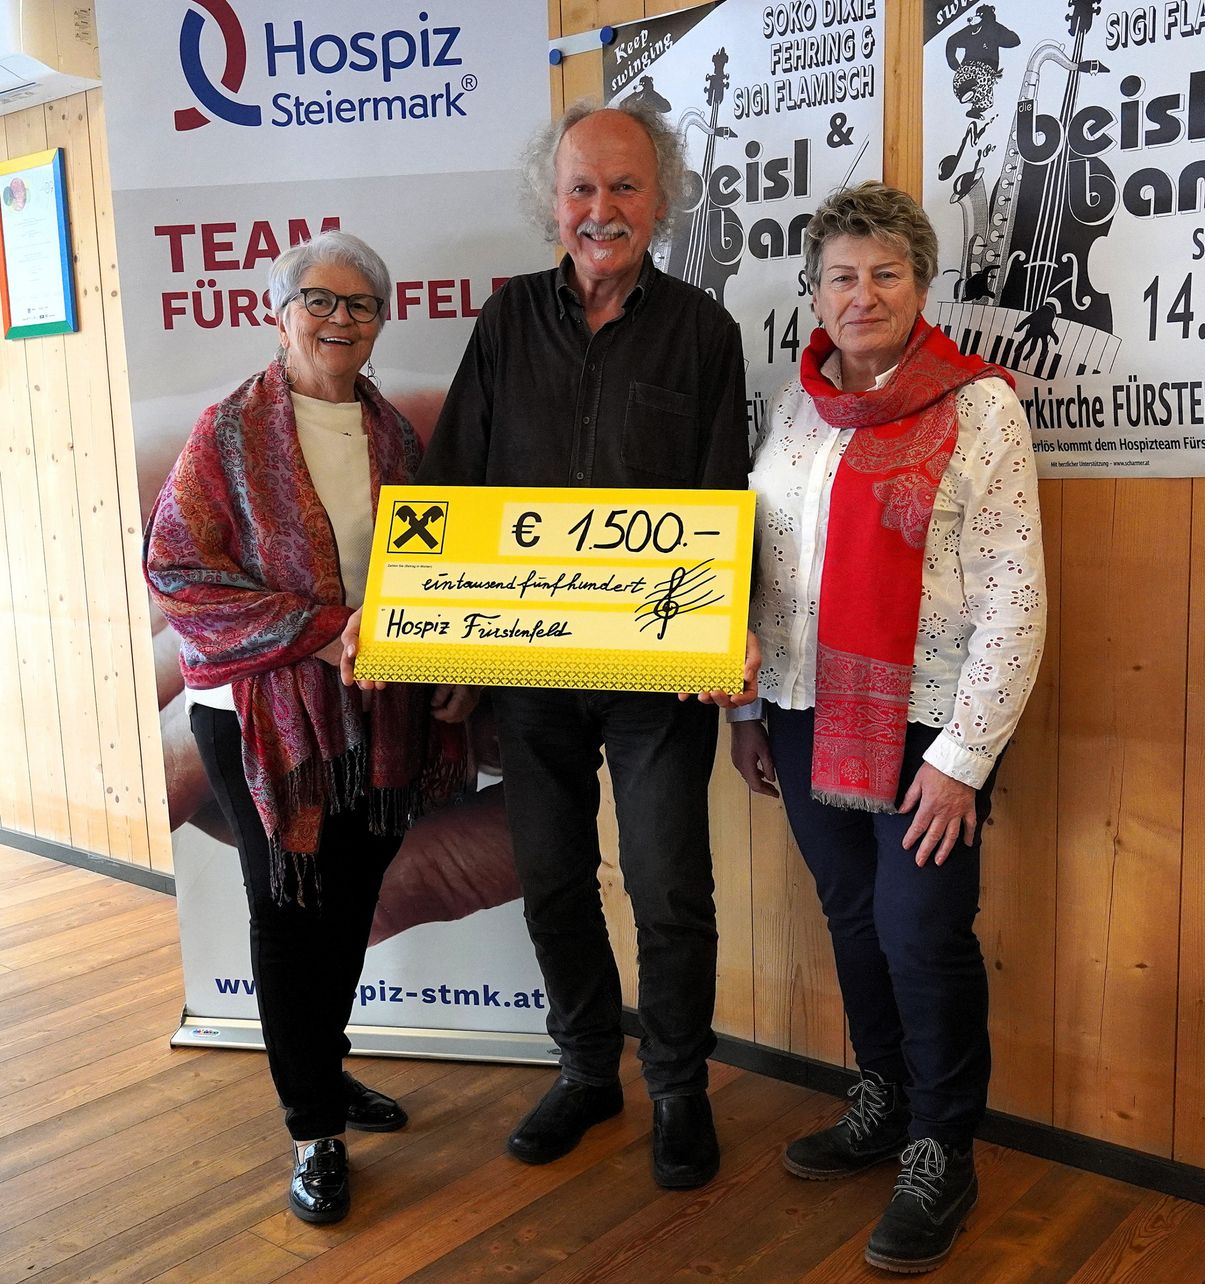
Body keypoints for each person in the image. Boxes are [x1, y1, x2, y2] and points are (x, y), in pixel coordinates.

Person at [343, 99, 752, 1189]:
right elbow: (450, 489)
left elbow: (723, 498)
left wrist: (730, 639)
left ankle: (677, 1086)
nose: (600, 210)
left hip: (657, 674)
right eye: (581, 188)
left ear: (660, 200)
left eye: (623, 188)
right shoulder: (508, 318)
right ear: (552, 201)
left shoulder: (703, 331)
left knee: (671, 887)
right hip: (523, 671)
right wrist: (443, 650)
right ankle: (585, 1067)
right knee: (555, 877)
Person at [728, 183, 1045, 1274]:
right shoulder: (796, 402)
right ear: (814, 292)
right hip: (805, 712)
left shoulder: (979, 405)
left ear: (921, 285)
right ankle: (886, 1097)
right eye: (840, 276)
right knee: (855, 919)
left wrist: (963, 761)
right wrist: (746, 708)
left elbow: (1016, 594)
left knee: (922, 932)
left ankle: (941, 1148)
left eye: (885, 273)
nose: (861, 295)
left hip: (927, 727)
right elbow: (764, 564)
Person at [144, 230, 470, 1225]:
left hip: (380, 713)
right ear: (276, 315)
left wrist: (446, 666)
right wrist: (324, 635)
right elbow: (178, 571)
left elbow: (425, 574)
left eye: (361, 305)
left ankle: (323, 1070)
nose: (340, 319)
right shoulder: (227, 435)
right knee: (291, 915)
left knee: (348, 902)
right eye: (319, 302)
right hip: (258, 726)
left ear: (381, 324)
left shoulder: (397, 438)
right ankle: (312, 1130)